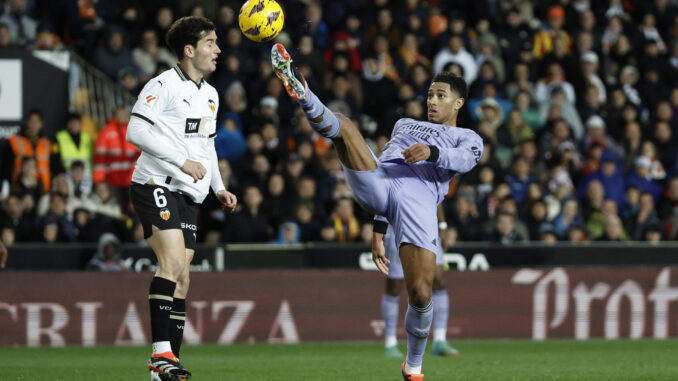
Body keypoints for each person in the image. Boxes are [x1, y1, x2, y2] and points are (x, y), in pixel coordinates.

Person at [272, 43, 482, 380]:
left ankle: (413, 365)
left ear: (458, 102)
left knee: (420, 293)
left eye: (440, 95)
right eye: (430, 94)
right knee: (346, 128)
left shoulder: (466, 137)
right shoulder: (403, 124)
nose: (431, 100)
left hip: (419, 201)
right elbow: (384, 160)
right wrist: (378, 229)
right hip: (382, 182)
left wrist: (430, 151)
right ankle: (303, 92)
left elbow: (466, 160)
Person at [125, 16, 237, 381]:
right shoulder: (163, 85)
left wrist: (219, 187)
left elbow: (207, 146)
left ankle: (165, 369)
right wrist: (181, 160)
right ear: (189, 51)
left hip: (189, 193)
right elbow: (135, 129)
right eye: (210, 43)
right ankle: (160, 356)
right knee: (172, 263)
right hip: (155, 182)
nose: (218, 50)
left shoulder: (211, 94)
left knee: (183, 279)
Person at [375, 204, 460, 359]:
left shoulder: (431, 179)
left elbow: (438, 198)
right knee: (394, 285)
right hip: (399, 227)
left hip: (428, 227)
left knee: (439, 279)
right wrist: (379, 233)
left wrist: (442, 225)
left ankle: (440, 341)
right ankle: (390, 342)